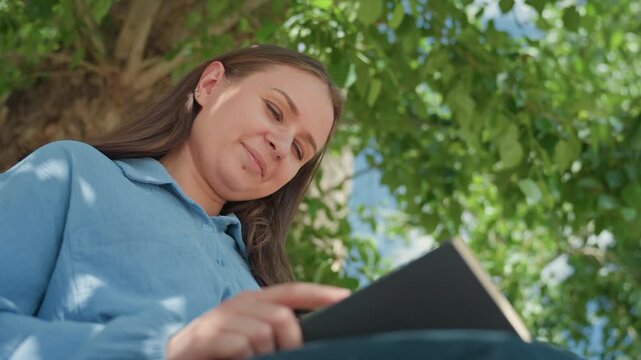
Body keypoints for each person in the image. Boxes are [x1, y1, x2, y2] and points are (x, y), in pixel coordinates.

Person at [0, 45, 351, 360]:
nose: (281, 144)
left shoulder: (261, 286)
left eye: (298, 150)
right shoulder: (73, 172)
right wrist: (163, 348)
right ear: (210, 85)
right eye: (275, 111)